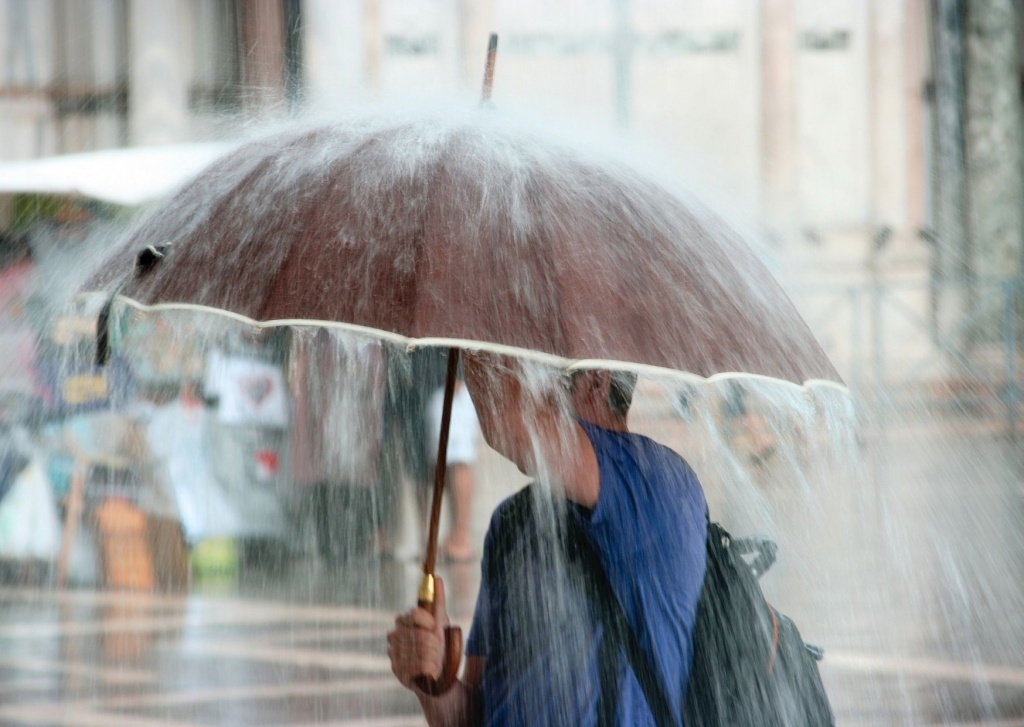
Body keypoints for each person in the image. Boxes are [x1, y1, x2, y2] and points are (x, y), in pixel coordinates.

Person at [387, 354, 709, 726]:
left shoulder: (660, 483)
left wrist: (466, 327)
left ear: (595, 382)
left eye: (535, 373)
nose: (524, 385)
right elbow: (475, 716)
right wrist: (437, 684)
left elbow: (505, 421)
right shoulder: (513, 520)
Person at [425, 374, 480, 562]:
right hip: (430, 381)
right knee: (444, 462)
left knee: (458, 458)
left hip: (451, 380)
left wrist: (458, 373)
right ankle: (454, 537)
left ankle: (461, 539)